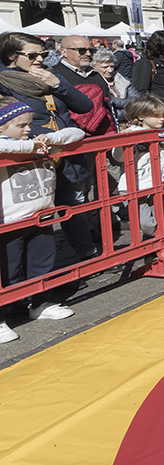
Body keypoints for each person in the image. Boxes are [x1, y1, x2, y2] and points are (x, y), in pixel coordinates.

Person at [0, 32, 97, 260]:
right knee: (33, 216)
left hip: (65, 152)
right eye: (32, 55)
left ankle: (88, 252)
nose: (40, 59)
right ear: (12, 55)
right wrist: (45, 137)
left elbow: (84, 106)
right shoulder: (4, 83)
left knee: (73, 204)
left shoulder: (50, 76)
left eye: (42, 53)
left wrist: (57, 83)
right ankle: (27, 277)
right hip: (33, 159)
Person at [0, 96, 85, 342]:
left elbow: (75, 133)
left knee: (42, 262)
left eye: (29, 124)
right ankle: (5, 314)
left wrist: (48, 139)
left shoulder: (33, 138)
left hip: (41, 215)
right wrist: (35, 147)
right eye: (21, 125)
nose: (29, 129)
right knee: (8, 269)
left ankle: (39, 302)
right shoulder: (16, 145)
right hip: (12, 220)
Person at [113, 94, 164, 239]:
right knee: (146, 223)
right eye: (156, 115)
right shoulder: (131, 134)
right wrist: (122, 142)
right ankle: (160, 238)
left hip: (160, 183)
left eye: (163, 115)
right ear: (141, 116)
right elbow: (118, 157)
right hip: (137, 185)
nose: (162, 119)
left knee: (163, 218)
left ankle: (157, 250)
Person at [54, 35, 115, 136]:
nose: (88, 54)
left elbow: (109, 106)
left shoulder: (96, 74)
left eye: (91, 50)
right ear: (64, 52)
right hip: (74, 136)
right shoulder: (55, 75)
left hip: (104, 135)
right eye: (81, 50)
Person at [92, 48, 136, 127]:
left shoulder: (122, 80)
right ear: (95, 67)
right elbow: (108, 106)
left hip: (129, 124)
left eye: (112, 66)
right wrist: (130, 109)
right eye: (105, 67)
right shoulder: (93, 83)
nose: (110, 70)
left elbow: (137, 101)